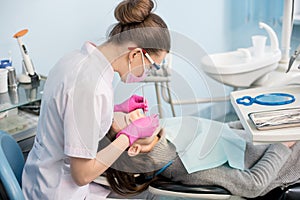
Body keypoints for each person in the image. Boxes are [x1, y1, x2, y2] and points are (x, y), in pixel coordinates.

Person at [21, 0, 170, 199]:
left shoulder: (76, 59)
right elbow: (82, 175)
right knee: (150, 195)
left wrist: (115, 108)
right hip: (58, 191)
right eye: (152, 67)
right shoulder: (92, 87)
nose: (147, 73)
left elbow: (73, 113)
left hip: (39, 176)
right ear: (135, 54)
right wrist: (129, 136)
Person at [100, 110, 300, 199]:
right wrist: (282, 144)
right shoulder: (187, 166)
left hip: (268, 137)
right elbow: (253, 185)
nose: (137, 112)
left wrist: (259, 125)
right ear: (134, 148)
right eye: (130, 119)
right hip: (290, 159)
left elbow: (220, 130)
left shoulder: (167, 132)